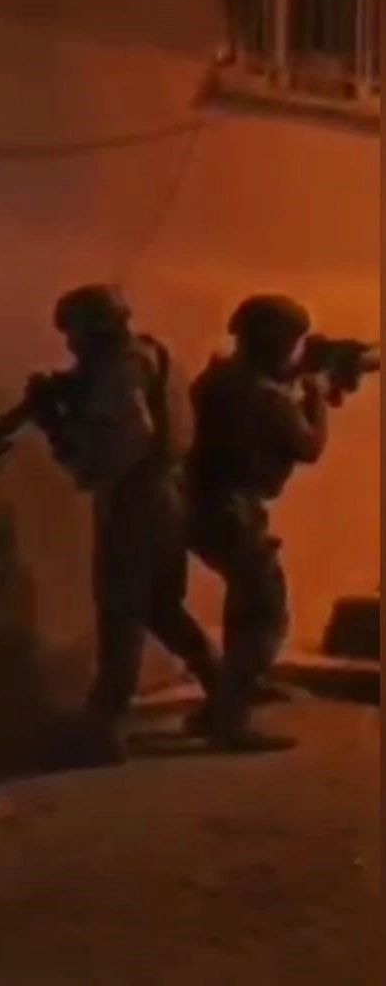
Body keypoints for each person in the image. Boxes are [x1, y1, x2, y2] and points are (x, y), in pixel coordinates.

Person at [42, 285, 221, 766]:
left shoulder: (120, 371)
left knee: (120, 613)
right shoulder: (151, 355)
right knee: (161, 607)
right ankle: (225, 689)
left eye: (75, 332)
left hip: (134, 500)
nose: (71, 344)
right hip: (167, 498)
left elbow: (120, 446)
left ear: (97, 327)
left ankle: (105, 727)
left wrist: (60, 430)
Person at [184, 296, 334, 751]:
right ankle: (229, 717)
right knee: (265, 612)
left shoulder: (218, 379)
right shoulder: (264, 396)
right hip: (232, 509)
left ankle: (225, 700)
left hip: (201, 506)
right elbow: (309, 446)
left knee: (245, 606)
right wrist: (317, 397)